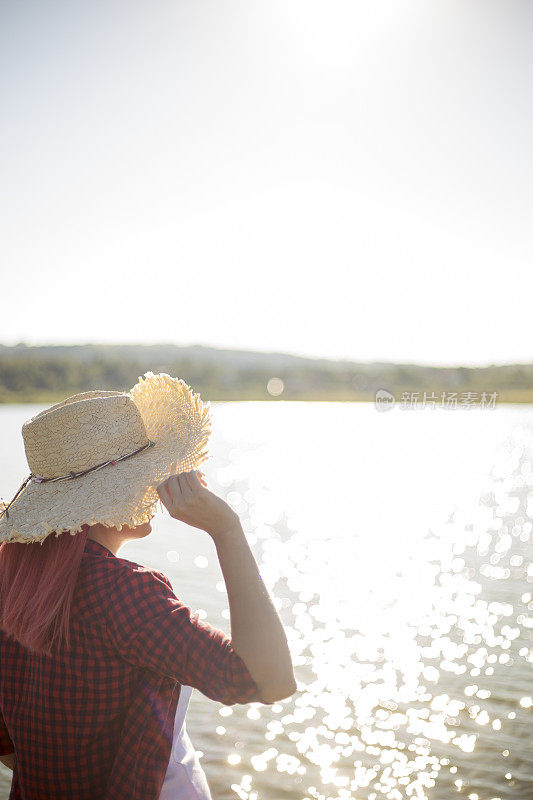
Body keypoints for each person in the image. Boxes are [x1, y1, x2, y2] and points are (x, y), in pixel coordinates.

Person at [0, 372, 297, 799]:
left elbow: (8, 749)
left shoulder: (12, 580)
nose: (156, 487)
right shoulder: (124, 593)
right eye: (146, 473)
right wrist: (227, 530)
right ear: (107, 496)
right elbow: (270, 681)